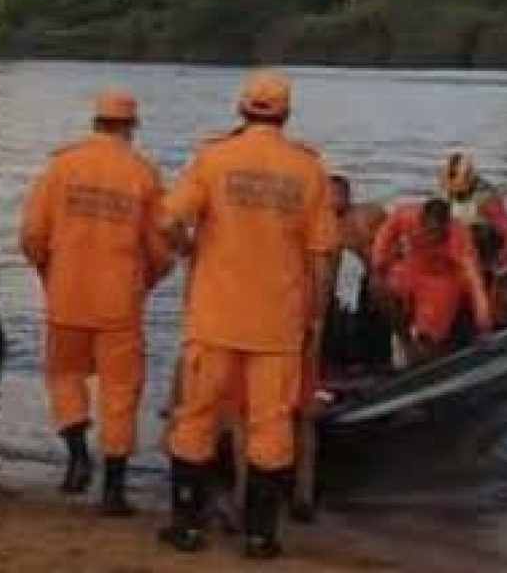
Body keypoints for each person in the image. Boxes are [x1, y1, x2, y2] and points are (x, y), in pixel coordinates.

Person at [160, 71, 337, 560]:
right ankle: (261, 536)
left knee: (196, 419)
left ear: (242, 110)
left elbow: (168, 220)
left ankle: (186, 527)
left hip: (214, 319)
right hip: (277, 327)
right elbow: (322, 258)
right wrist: (314, 320)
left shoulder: (213, 158)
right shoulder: (309, 169)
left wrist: (187, 248)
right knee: (271, 428)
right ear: (284, 113)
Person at [20, 90, 172, 517]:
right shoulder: (143, 174)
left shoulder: (60, 167)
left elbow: (32, 235)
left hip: (66, 295)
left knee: (63, 376)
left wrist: (48, 273)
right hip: (119, 302)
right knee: (120, 393)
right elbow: (161, 250)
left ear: (95, 123)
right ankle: (114, 492)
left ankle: (77, 455)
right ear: (130, 127)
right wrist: (144, 284)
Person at [370, 196, 491, 361]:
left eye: (436, 232)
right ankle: (405, 341)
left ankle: (432, 341)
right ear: (420, 220)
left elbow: (475, 283)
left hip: (443, 279)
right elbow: (385, 235)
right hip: (413, 268)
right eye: (427, 229)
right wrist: (379, 264)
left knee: (429, 343)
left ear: (446, 226)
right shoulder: (405, 214)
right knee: (378, 287)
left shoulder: (460, 239)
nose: (430, 236)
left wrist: (484, 325)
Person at [322, 173, 391, 372]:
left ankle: (380, 361)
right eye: (328, 195)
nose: (331, 200)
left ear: (347, 195)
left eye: (336, 195)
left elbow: (388, 248)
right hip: (357, 276)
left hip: (380, 271)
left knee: (375, 297)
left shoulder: (367, 215)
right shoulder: (326, 223)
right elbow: (329, 266)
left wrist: (376, 276)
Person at [439, 152, 507, 319]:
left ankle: (501, 304)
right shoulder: (446, 195)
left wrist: (501, 263)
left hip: (490, 251)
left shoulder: (485, 199)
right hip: (461, 252)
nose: (455, 193)